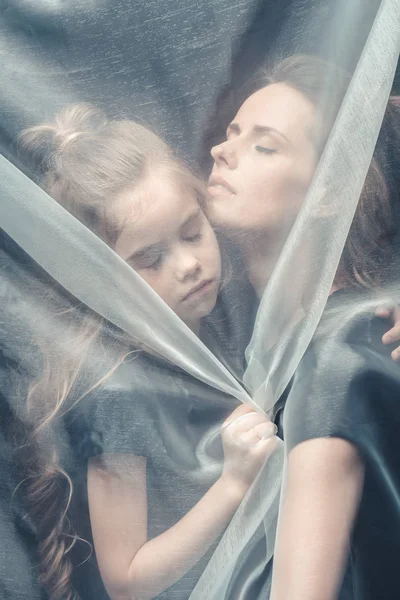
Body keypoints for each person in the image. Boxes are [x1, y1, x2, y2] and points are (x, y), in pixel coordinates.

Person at [15, 103, 278, 600]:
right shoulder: (121, 393)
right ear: (99, 280)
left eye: (192, 233)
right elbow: (128, 579)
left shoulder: (221, 314)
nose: (188, 265)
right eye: (149, 259)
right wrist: (235, 484)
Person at [206, 53, 400, 598]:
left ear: (331, 192)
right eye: (232, 133)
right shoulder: (269, 347)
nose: (223, 150)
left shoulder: (334, 356)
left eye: (264, 146)